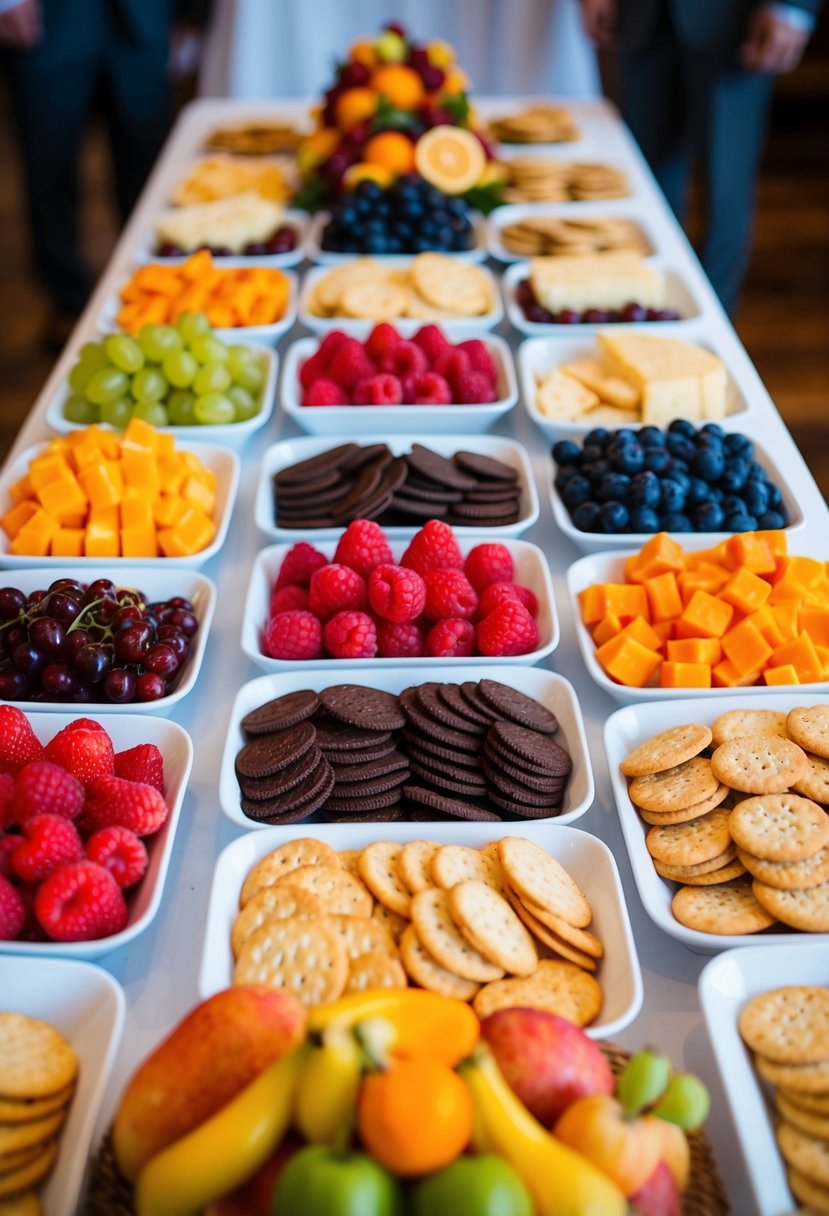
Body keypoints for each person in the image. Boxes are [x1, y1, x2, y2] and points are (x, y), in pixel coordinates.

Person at [579, 0, 822, 314]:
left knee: (724, 195)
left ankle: (710, 331)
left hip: (734, 21)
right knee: (642, 189)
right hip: (639, 16)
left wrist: (793, 7)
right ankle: (644, 316)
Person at [0, 0, 206, 348]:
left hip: (146, 16)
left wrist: (193, 13)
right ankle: (65, 298)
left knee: (150, 162)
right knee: (49, 164)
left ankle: (156, 288)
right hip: (49, 18)